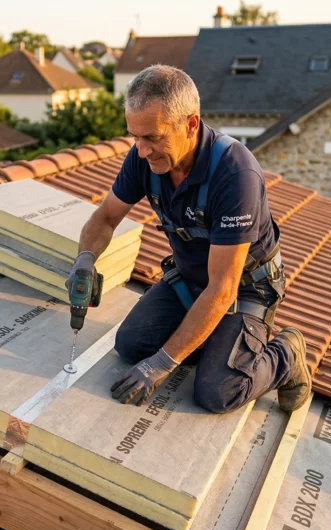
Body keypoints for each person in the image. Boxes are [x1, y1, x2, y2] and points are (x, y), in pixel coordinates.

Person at [66, 65, 311, 414]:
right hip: (190, 279)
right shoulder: (143, 158)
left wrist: (161, 364)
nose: (142, 150)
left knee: (216, 392)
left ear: (191, 124)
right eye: (135, 137)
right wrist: (85, 260)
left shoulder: (234, 173)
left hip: (242, 289)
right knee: (131, 345)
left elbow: (223, 289)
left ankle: (287, 354)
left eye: (153, 137)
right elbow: (105, 217)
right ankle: (212, 341)